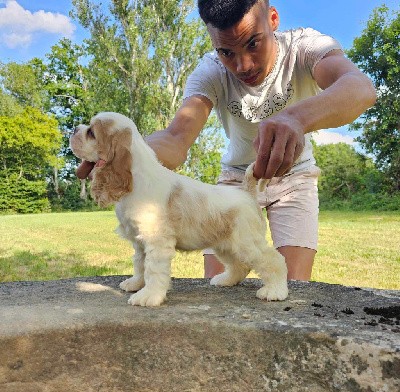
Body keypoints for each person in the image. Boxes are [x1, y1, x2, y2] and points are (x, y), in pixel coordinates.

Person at [77, 0, 376, 281]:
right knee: (219, 289)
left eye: (252, 43)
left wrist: (295, 118)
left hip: (294, 178)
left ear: (272, 19)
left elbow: (360, 88)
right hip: (233, 182)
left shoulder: (305, 47)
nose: (243, 65)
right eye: (226, 52)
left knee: (292, 288)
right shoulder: (210, 71)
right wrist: (128, 155)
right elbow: (176, 138)